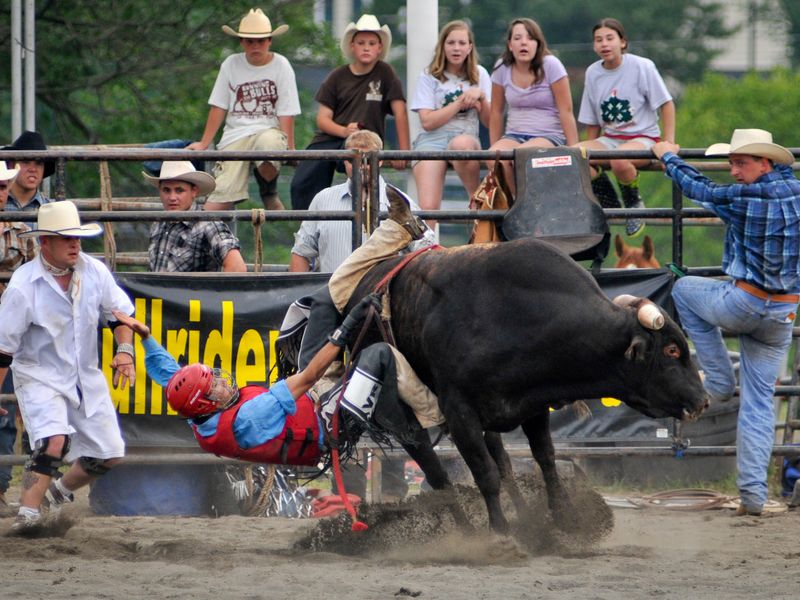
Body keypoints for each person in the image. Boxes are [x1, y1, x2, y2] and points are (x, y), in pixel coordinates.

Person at [652, 129, 799, 517]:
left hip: (744, 300)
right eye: (732, 163)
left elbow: (700, 189)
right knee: (760, 404)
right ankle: (752, 496)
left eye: (741, 163)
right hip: (782, 313)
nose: (734, 171)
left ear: (765, 163)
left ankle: (717, 380)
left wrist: (668, 156)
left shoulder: (743, 197)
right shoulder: (795, 191)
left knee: (684, 291)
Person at [0, 201, 137, 534]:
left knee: (110, 453)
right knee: (52, 441)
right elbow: (3, 350)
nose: (75, 244)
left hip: (84, 375)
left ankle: (57, 492)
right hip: (38, 375)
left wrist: (125, 350)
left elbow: (121, 316)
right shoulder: (23, 286)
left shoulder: (94, 271)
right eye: (66, 238)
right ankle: (28, 517)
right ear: (45, 242)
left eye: (77, 237)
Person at [290, 14, 410, 211]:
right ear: (352, 46)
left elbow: (400, 112)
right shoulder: (337, 76)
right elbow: (322, 119)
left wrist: (403, 153)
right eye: (361, 42)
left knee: (363, 179)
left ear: (379, 48)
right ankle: (307, 224)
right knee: (303, 180)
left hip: (366, 142)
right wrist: (345, 131)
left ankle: (367, 220)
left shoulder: (385, 73)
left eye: (372, 43)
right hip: (334, 139)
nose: (366, 47)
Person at [188, 8, 300, 211]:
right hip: (236, 136)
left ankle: (268, 188)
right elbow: (219, 105)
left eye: (260, 41)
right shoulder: (231, 64)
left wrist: (290, 148)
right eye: (250, 41)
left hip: (268, 131)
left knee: (269, 146)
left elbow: (286, 110)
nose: (255, 46)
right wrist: (204, 142)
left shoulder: (281, 65)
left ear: (269, 41)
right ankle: (258, 193)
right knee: (214, 204)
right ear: (242, 42)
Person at [576, 18, 675, 238]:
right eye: (599, 40)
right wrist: (587, 157)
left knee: (620, 159)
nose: (604, 44)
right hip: (610, 138)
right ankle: (607, 199)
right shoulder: (593, 73)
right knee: (574, 155)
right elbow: (592, 120)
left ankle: (633, 204)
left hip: (644, 137)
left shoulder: (642, 66)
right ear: (593, 46)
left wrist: (668, 143)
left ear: (622, 42)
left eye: (610, 38)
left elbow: (666, 104)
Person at [290, 130, 435, 273]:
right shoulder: (323, 199)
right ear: (345, 161)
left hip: (381, 294)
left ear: (380, 161)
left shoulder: (401, 202)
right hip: (332, 293)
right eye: (355, 160)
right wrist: (295, 294)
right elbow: (302, 252)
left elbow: (426, 252)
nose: (362, 166)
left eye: (368, 159)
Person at [410, 20, 491, 225]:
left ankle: (476, 201)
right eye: (451, 42)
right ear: (443, 46)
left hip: (465, 136)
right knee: (428, 209)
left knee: (460, 145)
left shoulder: (480, 74)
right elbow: (427, 122)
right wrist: (459, 103)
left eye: (462, 43)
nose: (456, 48)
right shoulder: (429, 75)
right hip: (432, 140)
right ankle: (427, 251)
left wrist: (481, 97)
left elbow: (490, 121)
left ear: (470, 47)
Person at [487, 18, 578, 195]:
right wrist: (494, 147)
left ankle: (527, 208)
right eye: (518, 38)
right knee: (495, 157)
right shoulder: (501, 68)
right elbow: (496, 112)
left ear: (538, 43)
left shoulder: (551, 65)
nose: (524, 43)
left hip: (549, 135)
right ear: (509, 45)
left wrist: (575, 151)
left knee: (521, 155)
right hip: (514, 134)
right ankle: (513, 206)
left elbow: (566, 110)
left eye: (529, 38)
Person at [0, 160, 37, 515]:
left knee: (7, 411)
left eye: (1, 187)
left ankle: (0, 487)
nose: (0, 194)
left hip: (10, 332)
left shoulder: (21, 233)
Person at [144, 161, 247, 272]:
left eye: (179, 190)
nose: (172, 197)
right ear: (160, 191)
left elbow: (237, 267)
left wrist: (210, 290)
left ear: (194, 191)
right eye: (166, 190)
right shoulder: (158, 224)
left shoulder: (208, 225)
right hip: (156, 289)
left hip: (191, 290)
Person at [3, 130, 56, 212]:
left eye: (39, 163)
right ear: (12, 165)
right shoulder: (1, 202)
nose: (33, 169)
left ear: (44, 169)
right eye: (25, 162)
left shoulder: (52, 210)